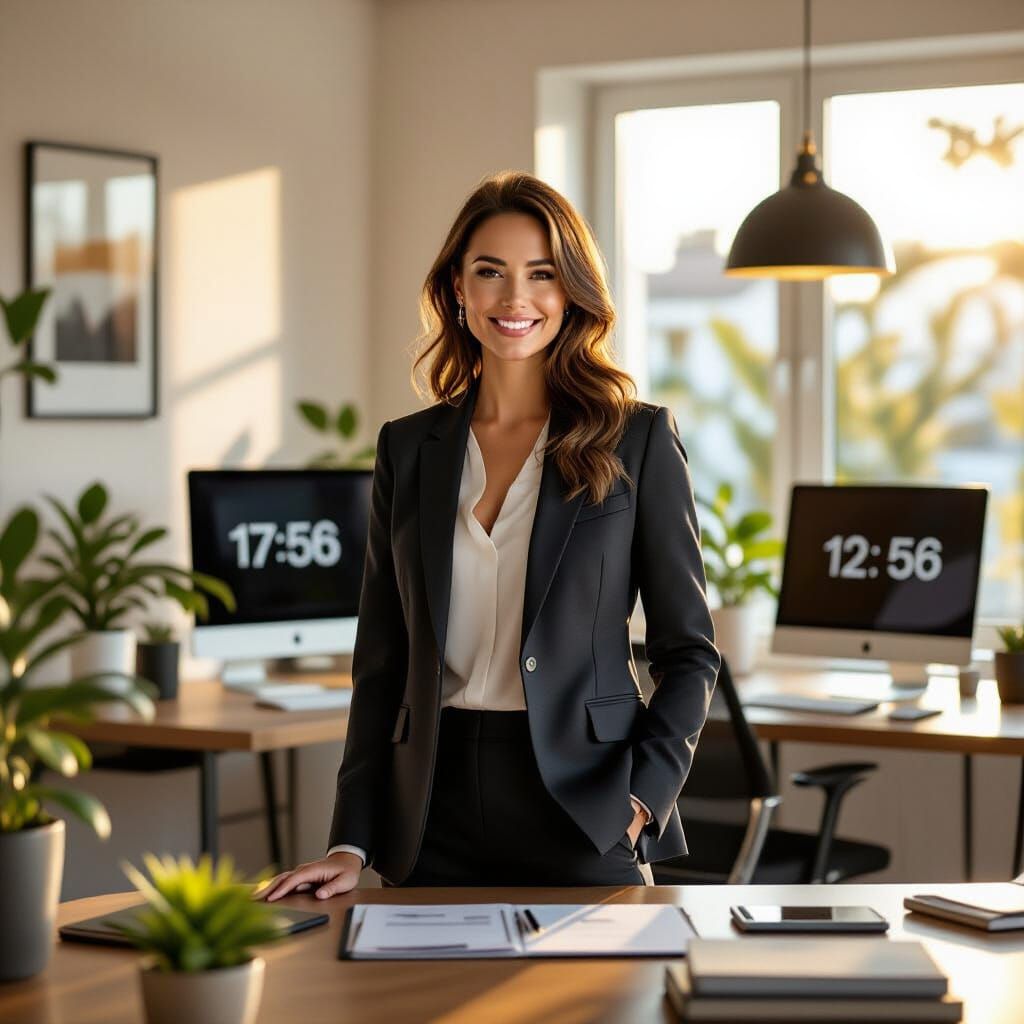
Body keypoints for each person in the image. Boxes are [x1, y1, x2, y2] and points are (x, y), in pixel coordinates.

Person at [262, 170, 719, 899]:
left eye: (541, 274)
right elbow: (382, 661)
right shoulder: (407, 448)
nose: (515, 298)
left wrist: (638, 804)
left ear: (571, 291)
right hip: (430, 811)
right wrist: (349, 840)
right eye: (490, 272)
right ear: (457, 290)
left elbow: (689, 652)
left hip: (583, 807)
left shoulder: (635, 439)